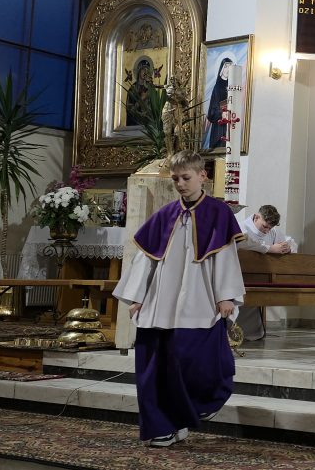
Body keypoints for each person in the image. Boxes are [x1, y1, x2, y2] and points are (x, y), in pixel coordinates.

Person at [112, 150, 246, 447]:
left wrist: (226, 296)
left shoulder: (219, 212)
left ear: (203, 176)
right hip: (160, 302)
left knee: (198, 363)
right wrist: (137, 297)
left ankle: (200, 405)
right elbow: (146, 260)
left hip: (199, 298)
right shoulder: (165, 215)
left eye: (186, 178)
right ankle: (162, 427)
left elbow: (226, 256)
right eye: (175, 179)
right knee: (154, 369)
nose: (181, 184)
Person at [235, 205, 294, 341]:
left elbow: (290, 241)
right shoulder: (242, 227)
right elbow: (243, 243)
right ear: (256, 217)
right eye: (264, 226)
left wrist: (287, 247)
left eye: (270, 228)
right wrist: (270, 248)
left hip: (263, 275)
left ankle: (253, 332)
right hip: (242, 275)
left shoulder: (272, 231)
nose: (267, 231)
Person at [203, 57, 232, 150]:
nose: (228, 70)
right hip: (219, 127)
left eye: (230, 67)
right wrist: (221, 113)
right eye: (226, 67)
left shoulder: (233, 86)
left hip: (231, 125)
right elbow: (212, 111)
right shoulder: (217, 87)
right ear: (222, 68)